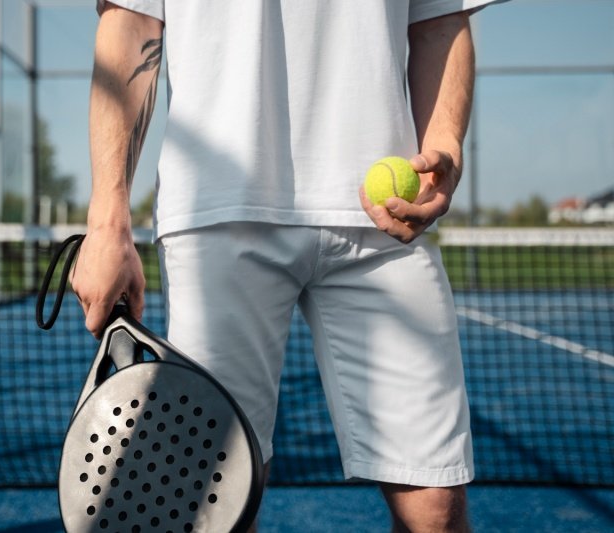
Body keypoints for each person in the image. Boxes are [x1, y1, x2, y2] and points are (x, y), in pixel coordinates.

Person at [73, 1, 503, 531]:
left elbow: (441, 19)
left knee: (436, 507)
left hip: (386, 221)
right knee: (219, 504)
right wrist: (106, 222)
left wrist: (443, 146)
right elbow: (131, 20)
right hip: (220, 210)